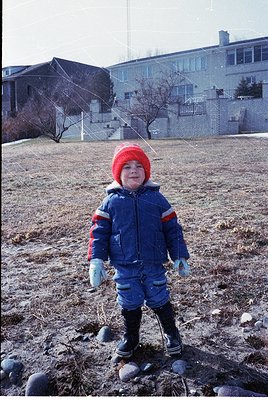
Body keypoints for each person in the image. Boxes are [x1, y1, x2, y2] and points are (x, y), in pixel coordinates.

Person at [87, 142, 190, 358]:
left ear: (146, 171)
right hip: (124, 265)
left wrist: (179, 255)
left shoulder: (157, 199)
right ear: (118, 173)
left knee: (159, 296)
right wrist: (96, 260)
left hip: (153, 264)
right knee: (129, 300)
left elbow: (173, 229)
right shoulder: (110, 202)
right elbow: (99, 232)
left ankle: (171, 332)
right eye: (127, 166)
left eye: (139, 166)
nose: (134, 170)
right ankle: (131, 337)